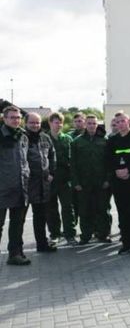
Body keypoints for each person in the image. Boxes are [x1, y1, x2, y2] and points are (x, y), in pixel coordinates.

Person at [105, 112, 130, 257]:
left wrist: (128, 170)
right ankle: (127, 244)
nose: (120, 124)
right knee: (122, 214)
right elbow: (108, 158)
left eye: (123, 121)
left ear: (129, 121)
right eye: (117, 122)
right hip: (118, 182)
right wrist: (116, 171)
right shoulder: (112, 140)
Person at [71, 114, 111, 244]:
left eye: (94, 123)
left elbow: (109, 163)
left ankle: (103, 234)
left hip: (101, 182)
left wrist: (107, 180)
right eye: (89, 123)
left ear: (97, 125)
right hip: (84, 183)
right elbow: (73, 164)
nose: (92, 126)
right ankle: (86, 236)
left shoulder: (104, 141)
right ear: (85, 125)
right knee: (84, 210)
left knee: (103, 209)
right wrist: (76, 182)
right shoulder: (77, 141)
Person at [0, 106, 31, 265]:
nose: (16, 120)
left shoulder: (23, 136)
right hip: (2, 188)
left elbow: (24, 160)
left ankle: (15, 254)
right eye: (12, 117)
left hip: (20, 187)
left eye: (18, 117)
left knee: (17, 223)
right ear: (4, 119)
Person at [24, 113, 57, 253]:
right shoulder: (21, 138)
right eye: (32, 122)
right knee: (18, 219)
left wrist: (51, 173)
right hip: (25, 184)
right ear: (25, 123)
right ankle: (16, 250)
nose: (35, 125)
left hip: (43, 184)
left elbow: (52, 155)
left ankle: (42, 244)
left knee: (40, 217)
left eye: (37, 122)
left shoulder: (45, 137)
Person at [47, 112, 77, 245]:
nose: (58, 125)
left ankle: (70, 234)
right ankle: (55, 234)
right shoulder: (44, 138)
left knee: (68, 208)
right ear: (50, 123)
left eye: (60, 122)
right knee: (51, 208)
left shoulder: (68, 139)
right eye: (55, 122)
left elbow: (74, 160)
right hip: (50, 180)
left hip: (65, 179)